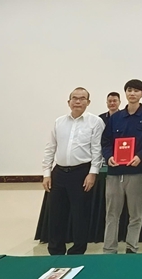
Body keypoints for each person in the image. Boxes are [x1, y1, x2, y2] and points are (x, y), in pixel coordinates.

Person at [42, 87, 104, 256]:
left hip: (82, 173)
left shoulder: (95, 122)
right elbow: (50, 147)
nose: (78, 101)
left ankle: (77, 251)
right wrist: (47, 173)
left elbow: (97, 149)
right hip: (59, 173)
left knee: (80, 215)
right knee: (56, 214)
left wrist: (93, 173)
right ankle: (55, 251)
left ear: (88, 102)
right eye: (74, 98)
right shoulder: (59, 122)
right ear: (68, 102)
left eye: (82, 98)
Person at [101, 79, 142, 254]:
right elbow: (105, 141)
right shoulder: (116, 117)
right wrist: (109, 156)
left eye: (136, 91)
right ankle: (109, 249)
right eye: (129, 90)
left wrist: (140, 156)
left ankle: (131, 248)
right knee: (112, 214)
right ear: (125, 93)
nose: (132, 93)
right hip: (115, 173)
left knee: (136, 215)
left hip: (137, 172)